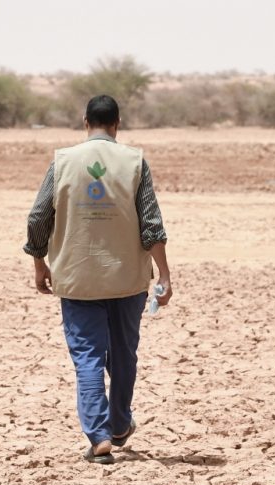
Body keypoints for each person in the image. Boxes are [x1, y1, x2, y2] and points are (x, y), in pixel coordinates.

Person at [23, 94, 172, 464]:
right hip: (127, 279)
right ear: (117, 124)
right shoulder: (135, 161)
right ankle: (120, 424)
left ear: (85, 122)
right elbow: (151, 224)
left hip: (78, 278)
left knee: (87, 356)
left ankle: (100, 436)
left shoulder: (63, 161)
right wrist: (164, 275)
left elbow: (38, 217)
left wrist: (39, 262)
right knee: (123, 354)